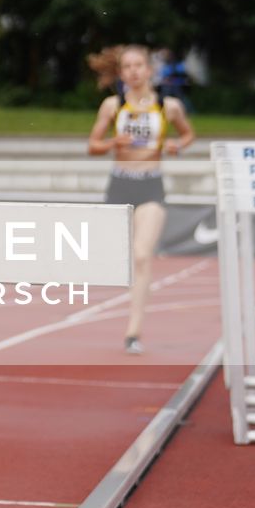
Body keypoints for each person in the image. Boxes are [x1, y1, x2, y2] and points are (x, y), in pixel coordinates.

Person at [87, 44, 196, 355]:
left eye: (139, 65)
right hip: (120, 185)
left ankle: (133, 331)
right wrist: (112, 142)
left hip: (150, 186)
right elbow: (92, 145)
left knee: (142, 256)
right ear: (121, 74)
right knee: (118, 259)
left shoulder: (168, 106)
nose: (133, 72)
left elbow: (188, 135)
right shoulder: (112, 105)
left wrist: (178, 145)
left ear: (150, 70)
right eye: (127, 67)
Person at [155, 48, 192, 115]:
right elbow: (164, 76)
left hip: (177, 85)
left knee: (180, 99)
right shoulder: (168, 65)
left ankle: (185, 111)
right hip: (169, 85)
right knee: (164, 98)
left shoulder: (178, 65)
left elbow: (183, 75)